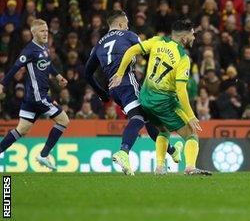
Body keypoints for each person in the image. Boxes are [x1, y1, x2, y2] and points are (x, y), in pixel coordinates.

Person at [85, 10, 181, 175]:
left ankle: (172, 151)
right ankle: (124, 152)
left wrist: (101, 93)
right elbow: (150, 53)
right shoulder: (128, 35)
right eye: (127, 23)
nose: (128, 26)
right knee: (140, 117)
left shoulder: (98, 46)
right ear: (121, 25)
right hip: (127, 82)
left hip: (113, 88)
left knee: (147, 118)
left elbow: (87, 73)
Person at [110, 19, 210, 176]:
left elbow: (130, 51)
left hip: (145, 99)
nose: (194, 37)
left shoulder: (157, 41)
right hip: (163, 102)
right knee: (191, 134)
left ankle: (159, 167)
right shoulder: (182, 58)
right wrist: (190, 115)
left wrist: (120, 73)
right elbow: (181, 90)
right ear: (184, 37)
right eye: (192, 34)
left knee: (163, 131)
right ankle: (190, 167)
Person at [0, 19, 70, 170]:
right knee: (64, 120)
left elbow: (47, 64)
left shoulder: (43, 48)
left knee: (22, 129)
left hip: (33, 98)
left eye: (46, 31)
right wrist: (2, 84)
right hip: (38, 97)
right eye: (42, 31)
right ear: (33, 33)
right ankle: (43, 155)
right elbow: (15, 67)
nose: (45, 33)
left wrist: (58, 77)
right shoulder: (29, 51)